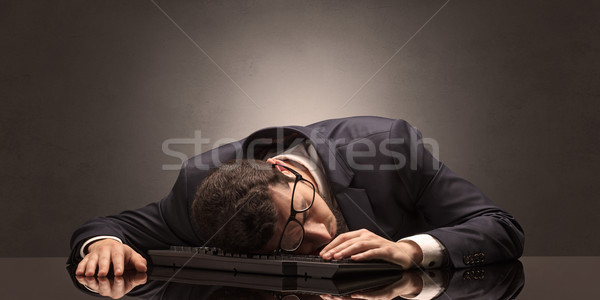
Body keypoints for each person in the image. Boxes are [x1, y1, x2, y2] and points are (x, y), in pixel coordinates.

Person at [69, 116, 524, 279]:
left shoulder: (389, 148)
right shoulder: (201, 194)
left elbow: (501, 228)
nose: (320, 233)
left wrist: (409, 250)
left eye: (302, 211)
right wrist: (103, 244)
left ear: (285, 172)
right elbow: (113, 226)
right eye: (293, 243)